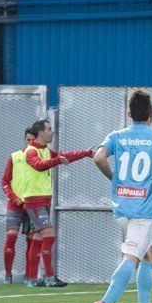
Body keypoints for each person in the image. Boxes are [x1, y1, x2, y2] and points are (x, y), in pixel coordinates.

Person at [89, 91, 152, 303]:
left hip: (121, 208)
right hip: (143, 211)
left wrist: (113, 177)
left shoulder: (117, 135)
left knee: (149, 256)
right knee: (132, 257)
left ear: (129, 114)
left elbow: (98, 157)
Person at [23, 119, 95, 288]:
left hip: (43, 200)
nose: (52, 132)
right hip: (34, 201)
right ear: (41, 133)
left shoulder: (46, 150)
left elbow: (65, 157)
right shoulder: (31, 151)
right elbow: (38, 166)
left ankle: (33, 279)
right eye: (49, 129)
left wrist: (84, 153)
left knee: (38, 238)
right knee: (49, 235)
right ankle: (49, 277)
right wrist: (57, 161)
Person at [1, 127, 36, 283]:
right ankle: (8, 275)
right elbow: (4, 181)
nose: (30, 143)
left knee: (31, 241)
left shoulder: (42, 158)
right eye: (27, 140)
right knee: (11, 237)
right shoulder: (15, 156)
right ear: (24, 140)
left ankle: (28, 276)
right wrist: (14, 198)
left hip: (33, 205)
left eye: (32, 140)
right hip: (15, 205)